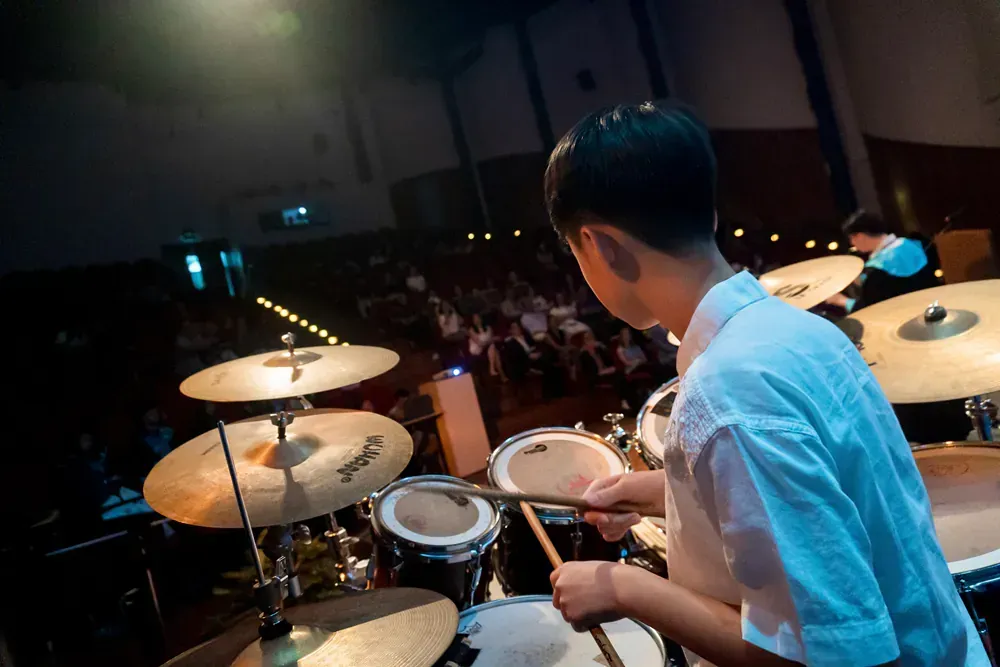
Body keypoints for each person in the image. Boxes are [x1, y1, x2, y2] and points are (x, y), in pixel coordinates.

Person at [542, 102, 987, 666]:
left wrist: (623, 587)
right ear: (707, 214)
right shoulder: (801, 330)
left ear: (600, 246)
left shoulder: (726, 394)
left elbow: (830, 657)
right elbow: (828, 489)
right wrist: (667, 492)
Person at [825, 210, 938, 312]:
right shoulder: (912, 245)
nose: (852, 244)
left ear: (859, 236)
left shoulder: (876, 269)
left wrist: (841, 300)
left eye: (851, 239)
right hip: (933, 307)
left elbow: (870, 309)